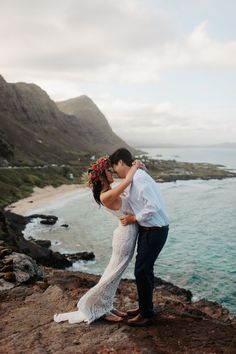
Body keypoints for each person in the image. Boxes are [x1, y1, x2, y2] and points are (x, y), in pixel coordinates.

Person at [53, 156, 142, 324]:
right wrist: (136, 165)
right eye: (109, 170)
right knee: (114, 273)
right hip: (125, 237)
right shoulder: (105, 195)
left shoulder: (110, 190)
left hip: (125, 232)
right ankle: (99, 309)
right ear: (101, 176)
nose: (113, 172)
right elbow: (129, 179)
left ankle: (106, 305)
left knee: (114, 273)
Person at [109, 148, 169, 327]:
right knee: (145, 270)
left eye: (115, 167)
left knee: (141, 271)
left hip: (155, 230)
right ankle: (145, 308)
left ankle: (146, 314)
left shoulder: (139, 178)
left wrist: (134, 218)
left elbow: (154, 206)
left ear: (121, 162)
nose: (115, 172)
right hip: (149, 230)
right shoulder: (137, 176)